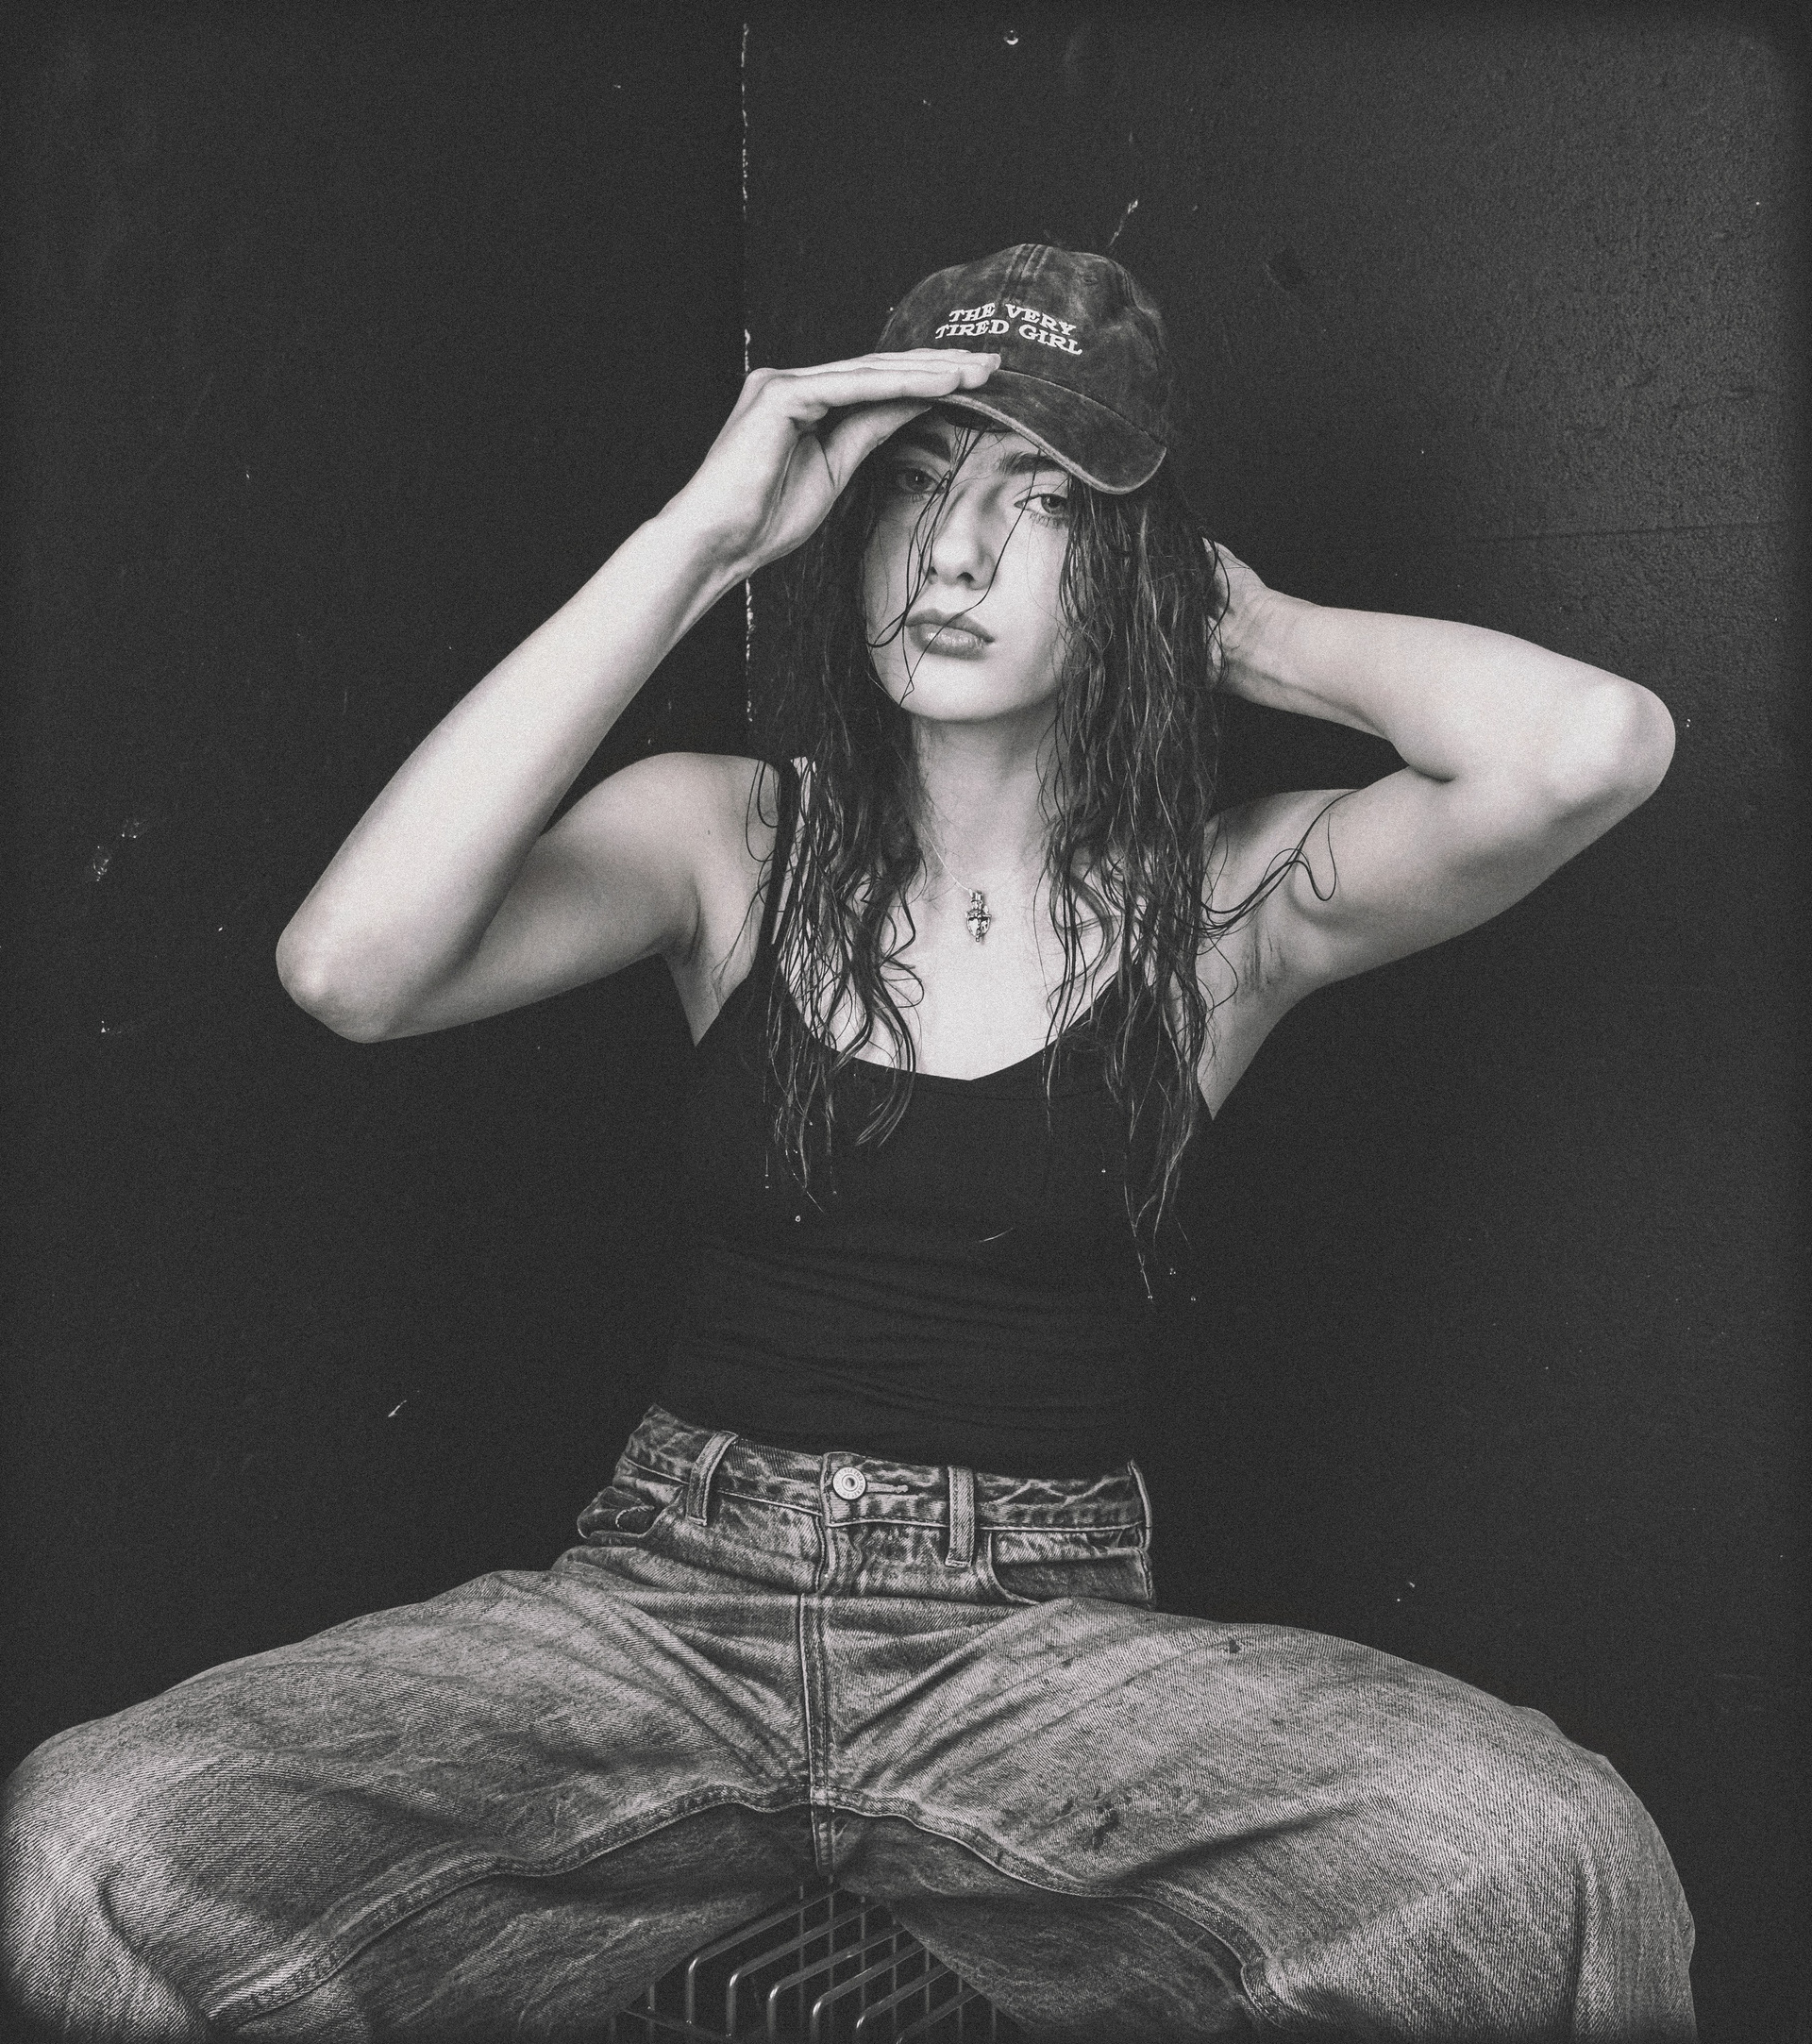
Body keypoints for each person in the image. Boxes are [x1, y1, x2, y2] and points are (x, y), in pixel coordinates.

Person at [4, 244, 1694, 2041]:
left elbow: (1595, 746)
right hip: (663, 1615)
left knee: (1557, 1861)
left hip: (1036, 1663)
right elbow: (350, 968)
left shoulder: (1223, 902)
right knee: (87, 1844)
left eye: (1040, 503)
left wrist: (1243, 622)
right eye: (916, 484)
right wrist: (704, 540)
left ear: (1127, 563)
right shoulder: (729, 837)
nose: (952, 557)